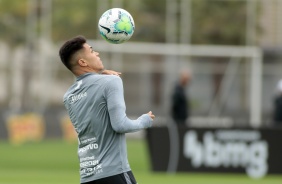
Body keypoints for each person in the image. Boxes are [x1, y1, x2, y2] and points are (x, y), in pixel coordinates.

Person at [59, 35, 155, 184]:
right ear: (83, 62)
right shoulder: (111, 81)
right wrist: (145, 121)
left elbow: (88, 87)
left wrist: (98, 75)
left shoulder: (69, 96)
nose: (96, 53)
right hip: (114, 173)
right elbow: (120, 125)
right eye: (91, 51)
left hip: (87, 176)